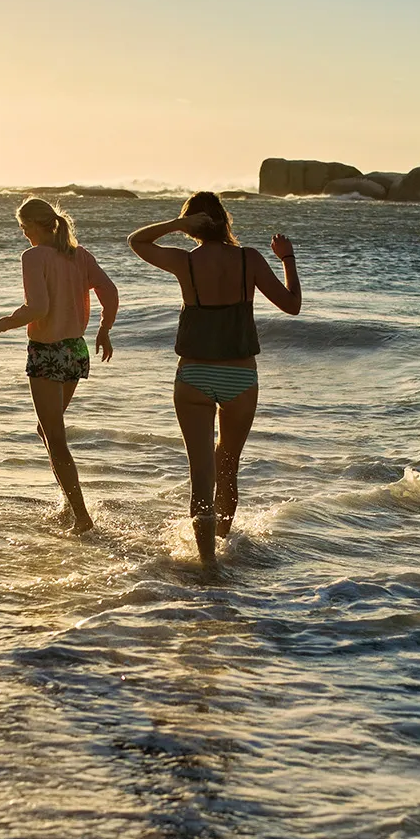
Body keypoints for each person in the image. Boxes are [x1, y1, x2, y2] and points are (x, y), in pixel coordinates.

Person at [128, 192, 301, 565]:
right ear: (225, 220)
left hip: (193, 375)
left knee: (201, 474)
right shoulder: (248, 260)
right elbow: (292, 304)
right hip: (240, 377)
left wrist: (176, 225)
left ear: (193, 226)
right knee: (228, 467)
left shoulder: (185, 262)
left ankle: (207, 560)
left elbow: (136, 241)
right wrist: (286, 258)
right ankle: (221, 547)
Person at [0, 197, 119, 533]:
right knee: (47, 430)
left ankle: (81, 517)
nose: (23, 235)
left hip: (47, 352)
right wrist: (103, 331)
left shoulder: (34, 256)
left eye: (24, 228)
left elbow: (38, 308)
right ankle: (68, 506)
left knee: (55, 436)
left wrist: (3, 323)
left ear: (36, 225)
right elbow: (110, 291)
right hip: (76, 349)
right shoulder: (79, 254)